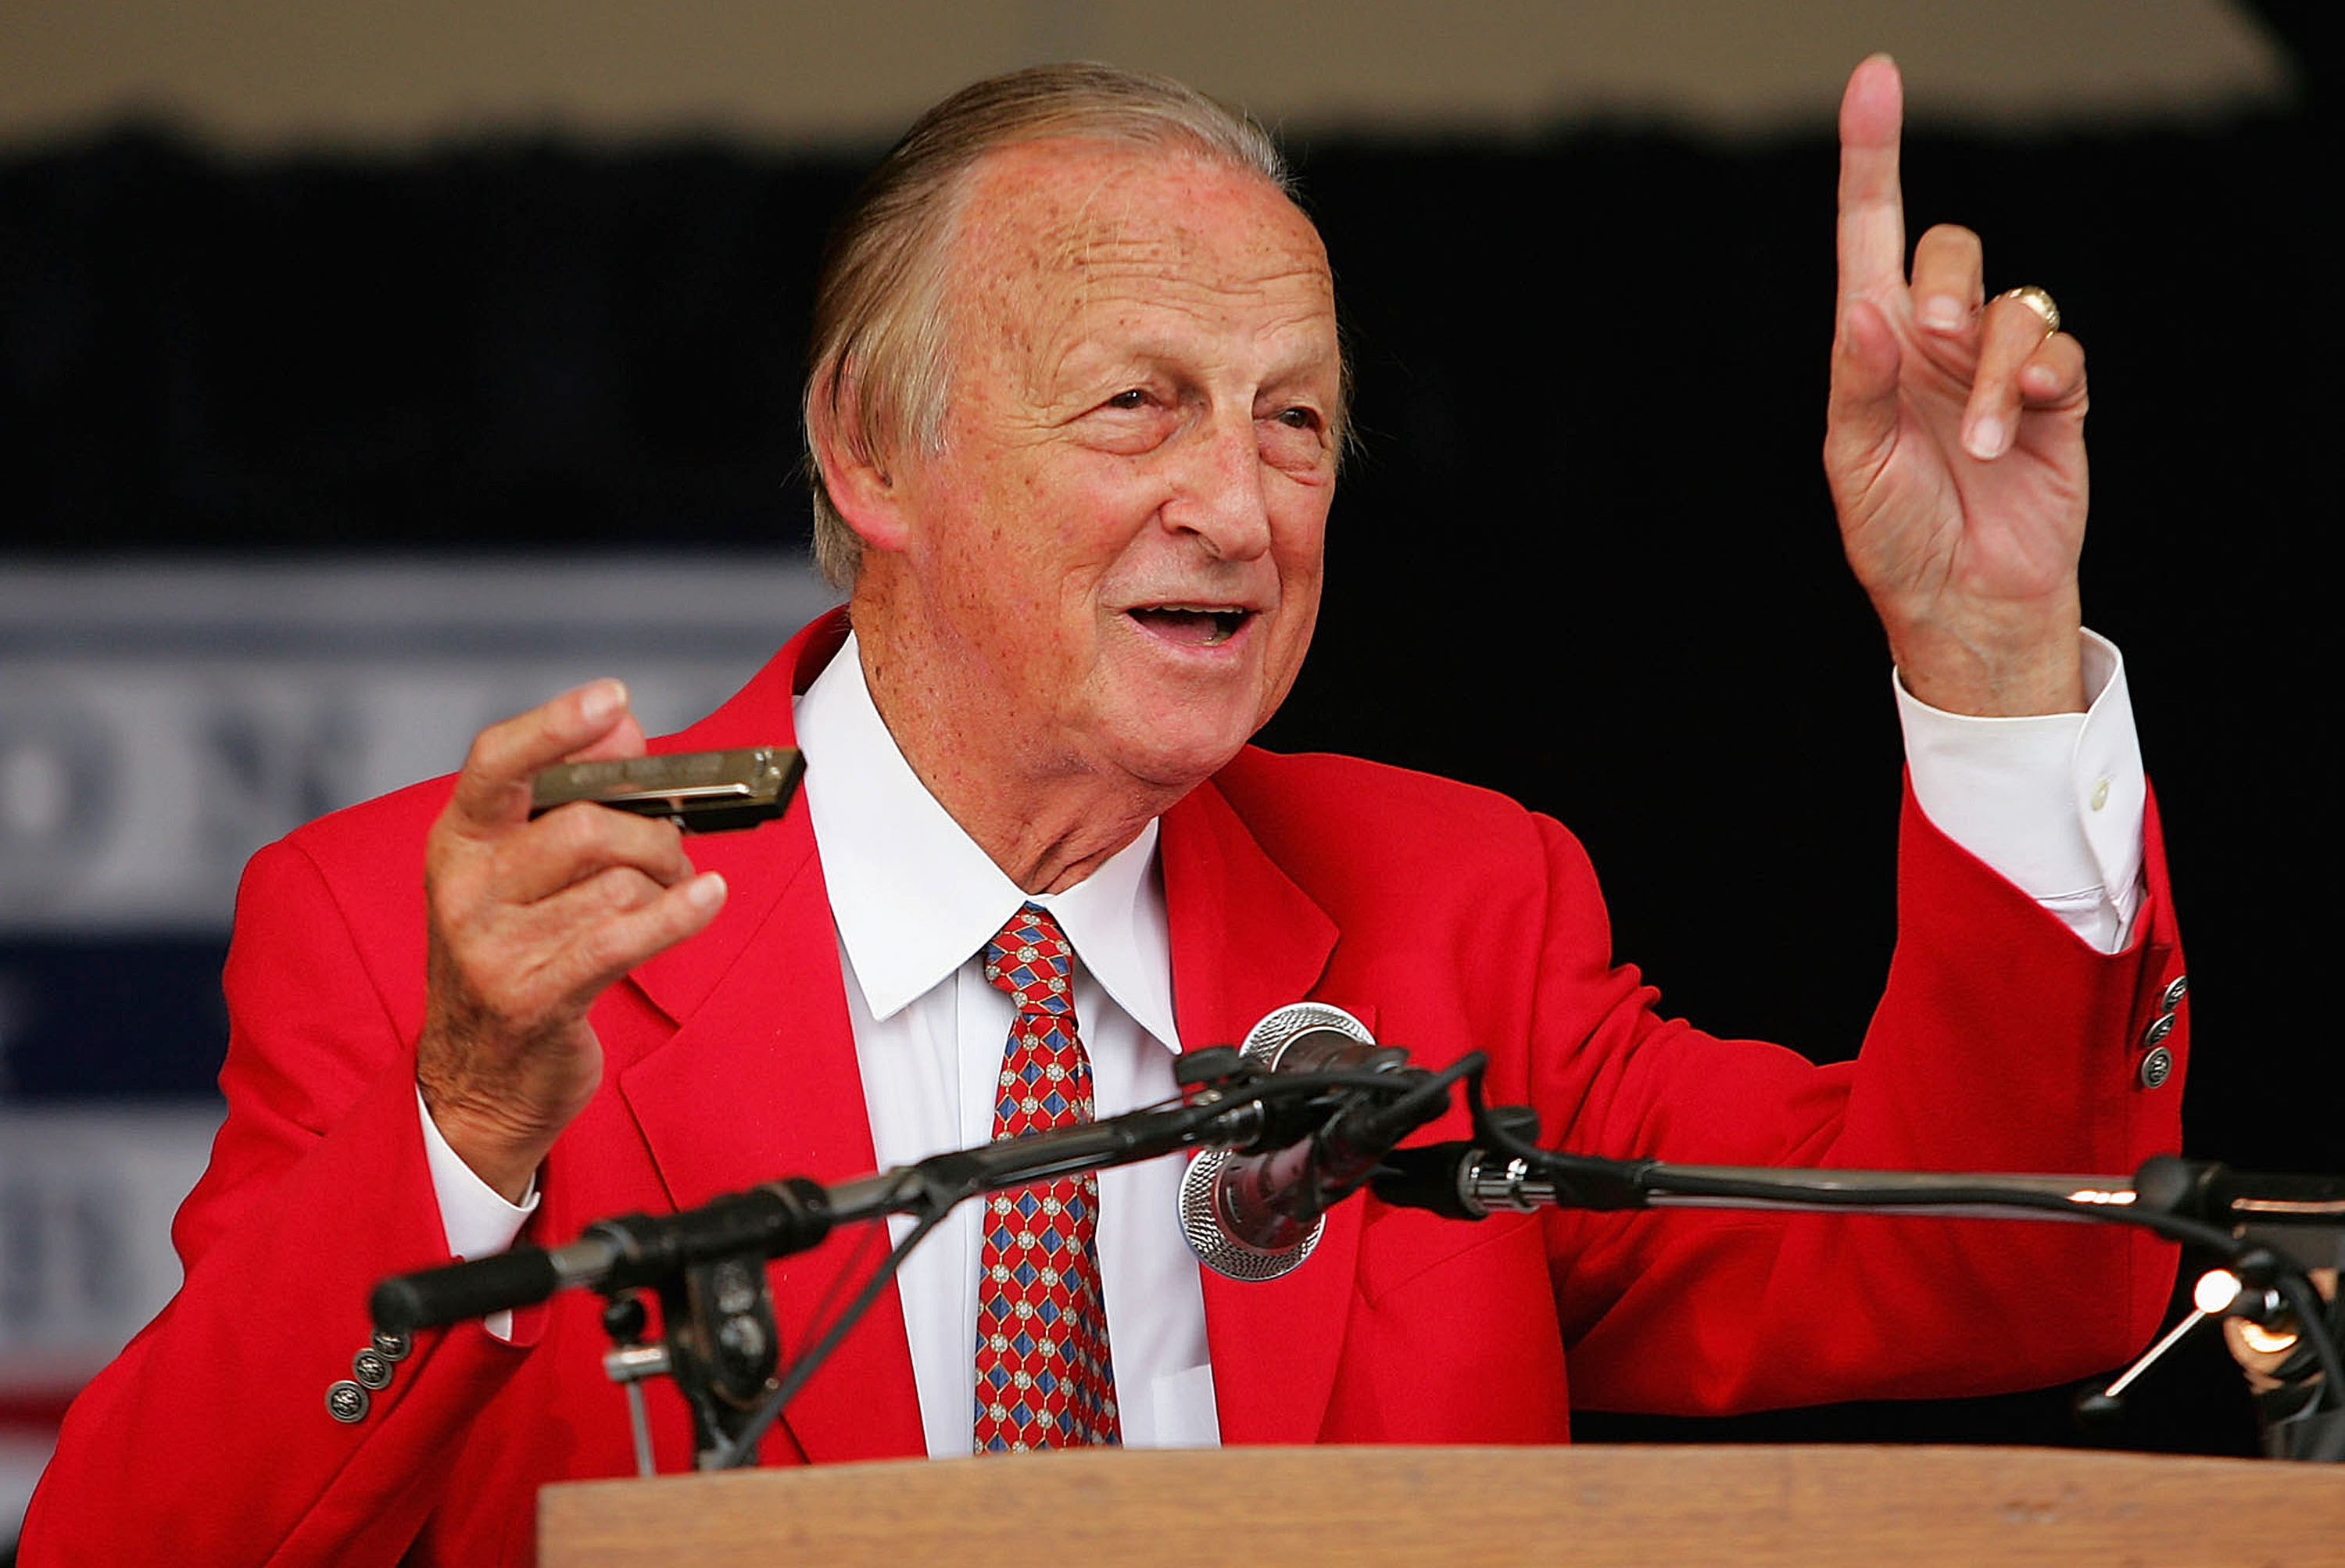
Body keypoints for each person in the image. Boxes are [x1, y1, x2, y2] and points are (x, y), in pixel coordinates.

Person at [22, 55, 2188, 1566]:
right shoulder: (467, 947)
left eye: (1297, 422)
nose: (1235, 504)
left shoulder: (1456, 916)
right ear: (875, 450)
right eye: (1137, 403)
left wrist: (1990, 656)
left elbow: (2006, 1273)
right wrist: (474, 1120)